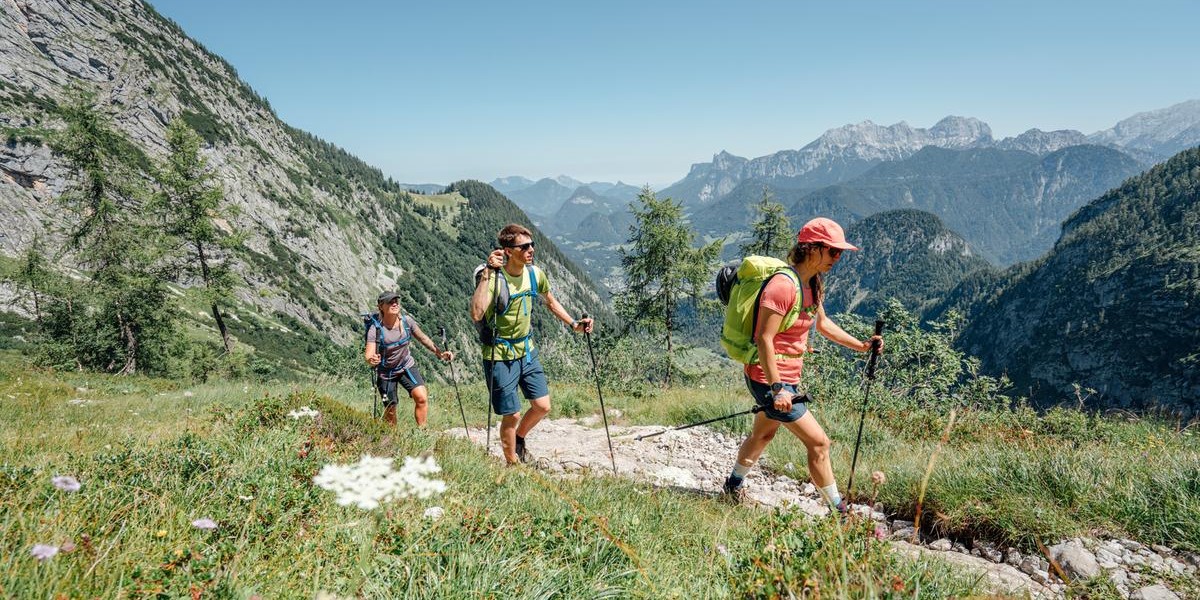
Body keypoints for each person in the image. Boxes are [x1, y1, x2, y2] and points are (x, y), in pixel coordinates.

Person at [722, 217, 883, 512]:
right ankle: (840, 514)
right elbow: (764, 339)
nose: (838, 257)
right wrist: (778, 389)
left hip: (787, 378)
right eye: (833, 251)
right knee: (820, 443)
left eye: (840, 252)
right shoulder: (783, 286)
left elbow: (822, 325)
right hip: (768, 377)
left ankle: (732, 487)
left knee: (763, 434)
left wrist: (861, 346)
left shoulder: (812, 283)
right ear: (812, 249)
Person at [470, 224, 594, 465]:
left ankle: (518, 439)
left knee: (542, 406)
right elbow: (476, 314)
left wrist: (573, 324)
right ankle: (512, 464)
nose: (531, 250)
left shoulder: (535, 274)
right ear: (508, 251)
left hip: (526, 351)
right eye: (524, 246)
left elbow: (550, 301)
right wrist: (486, 272)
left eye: (532, 245)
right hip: (499, 354)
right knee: (512, 413)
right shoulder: (495, 279)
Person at [365, 291, 454, 427]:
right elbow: (368, 354)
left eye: (396, 301)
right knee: (390, 409)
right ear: (381, 306)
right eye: (390, 302)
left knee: (422, 398)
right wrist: (371, 360)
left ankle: (422, 433)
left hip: (406, 366)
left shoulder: (407, 322)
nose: (394, 303)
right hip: (386, 373)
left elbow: (423, 338)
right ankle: (392, 439)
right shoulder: (375, 329)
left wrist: (440, 353)